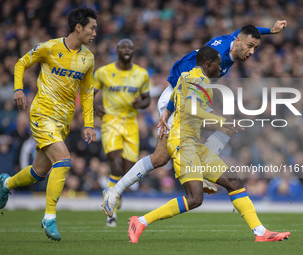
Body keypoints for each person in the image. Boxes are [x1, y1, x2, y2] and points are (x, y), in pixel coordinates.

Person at [103, 21, 290, 242]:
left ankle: (260, 232)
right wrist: (170, 109)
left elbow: (247, 32)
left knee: (166, 157)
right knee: (173, 159)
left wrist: (271, 30)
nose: (251, 52)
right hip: (178, 94)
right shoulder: (205, 66)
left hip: (184, 96)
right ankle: (116, 192)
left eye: (255, 48)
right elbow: (185, 89)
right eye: (250, 46)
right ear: (236, 42)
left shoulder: (232, 43)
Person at [0, 7, 97, 241]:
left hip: (63, 121)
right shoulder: (49, 47)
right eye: (92, 28)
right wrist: (18, 89)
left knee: (39, 171)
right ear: (78, 27)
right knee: (63, 160)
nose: (94, 33)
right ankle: (49, 217)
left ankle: (7, 183)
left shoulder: (88, 58)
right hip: (42, 113)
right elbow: (21, 63)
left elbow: (88, 93)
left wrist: (89, 124)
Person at [93, 38, 150, 227]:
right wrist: (96, 107)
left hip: (131, 123)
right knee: (115, 166)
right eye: (123, 47)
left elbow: (147, 99)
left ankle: (115, 193)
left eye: (130, 48)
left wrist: (139, 104)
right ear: (116, 50)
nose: (127, 50)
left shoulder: (141, 74)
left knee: (128, 171)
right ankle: (112, 213)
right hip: (110, 121)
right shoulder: (103, 72)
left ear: (133, 52)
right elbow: (88, 94)